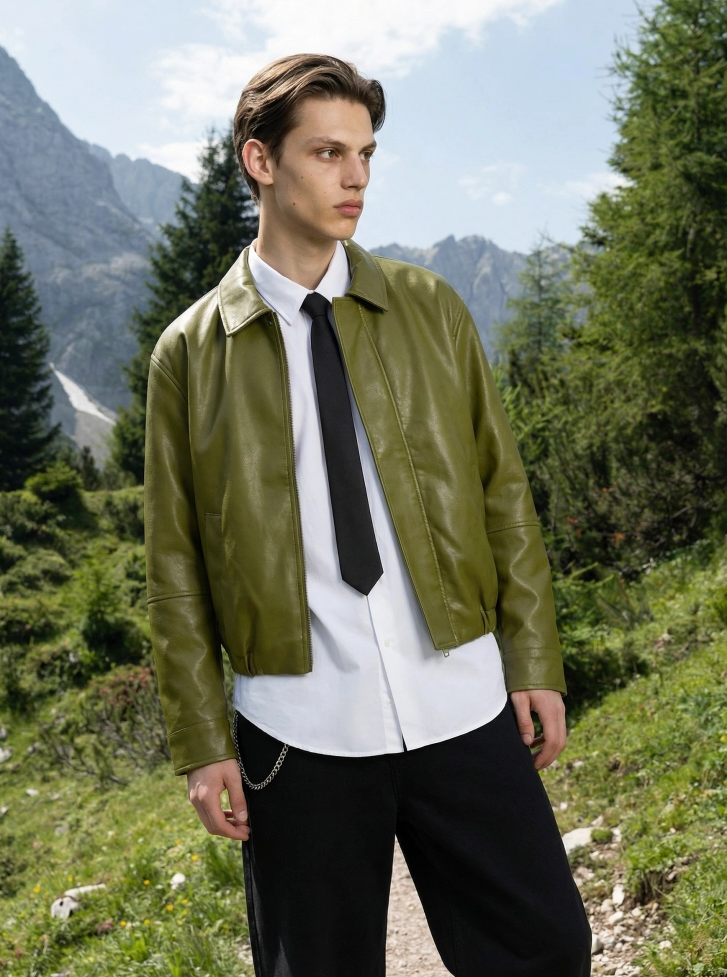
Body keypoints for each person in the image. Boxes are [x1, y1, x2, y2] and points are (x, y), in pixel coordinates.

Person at [144, 53, 592, 977]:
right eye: (327, 153)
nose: (355, 177)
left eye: (366, 154)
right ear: (260, 162)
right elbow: (174, 564)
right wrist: (200, 741)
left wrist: (532, 658)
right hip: (297, 728)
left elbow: (502, 492)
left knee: (546, 949)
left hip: (461, 699)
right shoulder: (189, 355)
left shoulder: (429, 308)